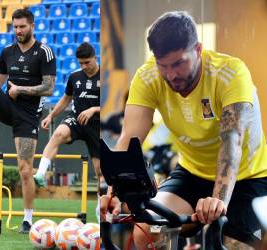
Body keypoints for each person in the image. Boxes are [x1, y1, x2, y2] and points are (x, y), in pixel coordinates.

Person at [100, 11, 267, 249]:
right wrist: (115, 191)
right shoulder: (148, 77)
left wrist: (217, 200)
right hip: (192, 174)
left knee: (232, 245)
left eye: (178, 63)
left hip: (247, 177)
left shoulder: (230, 73)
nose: (171, 75)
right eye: (163, 65)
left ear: (198, 49)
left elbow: (232, 143)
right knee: (149, 231)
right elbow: (129, 139)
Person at [0, 9, 56, 233]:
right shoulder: (7, 52)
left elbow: (49, 88)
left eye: (22, 26)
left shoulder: (44, 52)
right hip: (7, 106)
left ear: (32, 26)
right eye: (15, 27)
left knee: (25, 170)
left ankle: (27, 220)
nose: (18, 31)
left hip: (28, 116)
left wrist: (20, 89)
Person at [33, 42, 101, 193]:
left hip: (97, 126)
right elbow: (65, 99)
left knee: (101, 173)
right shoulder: (75, 77)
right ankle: (40, 174)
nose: (83, 66)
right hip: (76, 120)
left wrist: (94, 109)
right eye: (80, 63)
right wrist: (51, 115)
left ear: (95, 58)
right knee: (58, 134)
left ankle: (100, 209)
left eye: (87, 62)